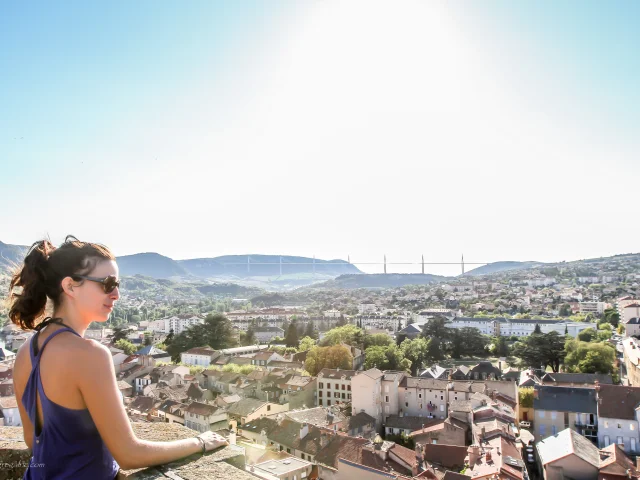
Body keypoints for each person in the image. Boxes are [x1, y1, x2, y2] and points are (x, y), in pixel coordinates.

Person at [9, 236, 227, 479]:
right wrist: (200, 441)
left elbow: (32, 440)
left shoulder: (26, 351)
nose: (116, 294)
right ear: (70, 286)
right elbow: (129, 454)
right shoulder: (89, 354)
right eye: (107, 283)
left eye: (117, 284)